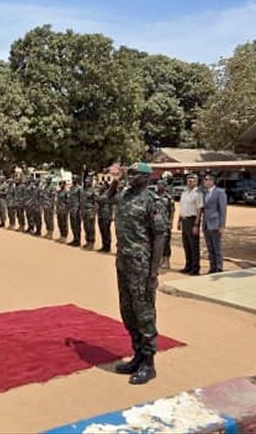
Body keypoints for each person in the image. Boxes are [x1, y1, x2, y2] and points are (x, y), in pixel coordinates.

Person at [107, 162, 167, 385]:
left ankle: (149, 364)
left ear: (146, 177)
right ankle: (138, 355)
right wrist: (116, 179)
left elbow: (160, 237)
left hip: (141, 265)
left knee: (144, 313)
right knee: (128, 311)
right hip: (123, 261)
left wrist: (153, 272)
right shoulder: (124, 195)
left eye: (135, 174)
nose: (130, 177)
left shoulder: (153, 201)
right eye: (129, 173)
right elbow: (107, 198)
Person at [177, 174, 204, 275]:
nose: (190, 181)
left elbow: (199, 210)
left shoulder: (198, 193)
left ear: (196, 181)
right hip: (184, 220)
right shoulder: (184, 192)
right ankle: (188, 266)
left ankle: (195, 268)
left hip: (192, 220)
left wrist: (196, 225)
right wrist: (179, 221)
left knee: (194, 245)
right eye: (188, 179)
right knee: (186, 244)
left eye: (192, 180)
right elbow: (182, 207)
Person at [201, 173, 227, 274]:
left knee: (217, 248)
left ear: (212, 181)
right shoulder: (205, 193)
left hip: (215, 223)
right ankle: (212, 267)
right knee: (210, 247)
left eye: (206, 180)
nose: (205, 182)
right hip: (207, 224)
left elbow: (222, 210)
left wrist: (222, 225)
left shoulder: (219, 192)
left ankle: (219, 267)